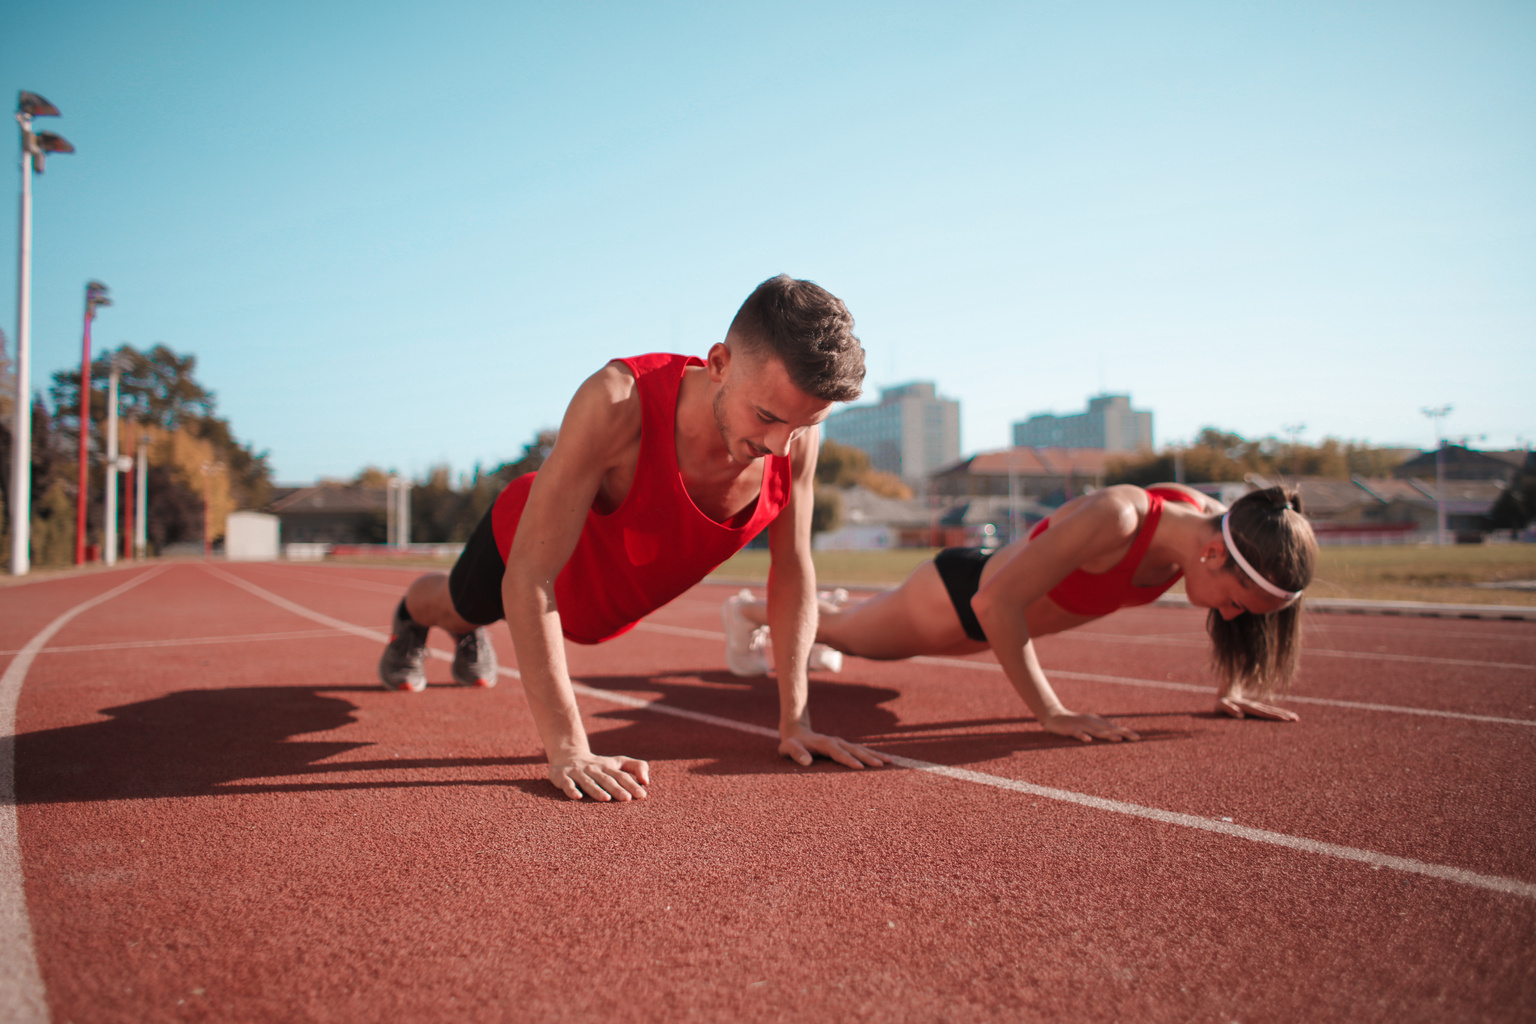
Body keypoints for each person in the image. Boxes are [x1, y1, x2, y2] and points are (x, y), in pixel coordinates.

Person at [378, 275, 887, 801]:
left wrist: (795, 722)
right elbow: (530, 576)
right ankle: (413, 620)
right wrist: (569, 748)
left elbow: (793, 568)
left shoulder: (793, 433)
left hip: (610, 599)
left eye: (803, 427)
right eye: (766, 417)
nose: (782, 447)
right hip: (531, 547)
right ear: (718, 364)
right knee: (459, 607)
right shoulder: (617, 401)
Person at [722, 484, 1317, 741]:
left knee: (850, 639)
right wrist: (1051, 713)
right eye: (1239, 603)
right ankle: (749, 613)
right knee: (853, 641)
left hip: (998, 625)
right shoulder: (1121, 517)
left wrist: (1232, 687)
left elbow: (1236, 607)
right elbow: (994, 601)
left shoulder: (1215, 530)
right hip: (960, 599)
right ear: (1213, 554)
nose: (1236, 617)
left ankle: (812, 615)